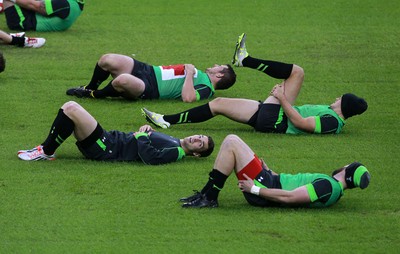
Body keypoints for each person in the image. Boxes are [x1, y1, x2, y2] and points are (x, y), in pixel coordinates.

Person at [142, 33, 368, 134]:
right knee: (218, 103)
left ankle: (245, 60)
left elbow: (300, 123)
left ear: (344, 106)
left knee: (297, 72)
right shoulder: (330, 114)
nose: (336, 98)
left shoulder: (332, 122)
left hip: (276, 118)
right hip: (270, 117)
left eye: (341, 98)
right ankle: (165, 120)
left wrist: (281, 98)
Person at [180, 134, 371, 208]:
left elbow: (291, 197)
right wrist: (271, 171)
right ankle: (206, 194)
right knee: (232, 143)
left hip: (265, 187)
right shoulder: (331, 187)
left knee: (231, 142)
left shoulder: (329, 186)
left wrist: (254, 189)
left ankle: (209, 197)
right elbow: (293, 184)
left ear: (346, 170)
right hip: (270, 179)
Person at [17, 101, 215, 164]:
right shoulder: (175, 140)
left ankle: (45, 151)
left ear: (196, 153)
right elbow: (150, 142)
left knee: (70, 108)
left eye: (200, 143)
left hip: (108, 147)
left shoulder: (177, 152)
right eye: (200, 136)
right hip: (109, 140)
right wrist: (147, 130)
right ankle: (46, 150)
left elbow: (151, 157)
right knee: (70, 114)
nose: (197, 138)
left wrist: (141, 137)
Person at [65, 53, 236, 102]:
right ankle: (90, 87)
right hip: (148, 70)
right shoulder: (202, 75)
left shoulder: (207, 89)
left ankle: (96, 95)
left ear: (220, 74)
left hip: (150, 88)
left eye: (218, 66)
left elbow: (188, 98)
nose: (214, 65)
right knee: (107, 59)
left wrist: (190, 74)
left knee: (122, 80)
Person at [2, 0, 84, 32]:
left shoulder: (65, 4)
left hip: (22, 21)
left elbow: (36, 6)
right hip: (31, 15)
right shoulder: (77, 3)